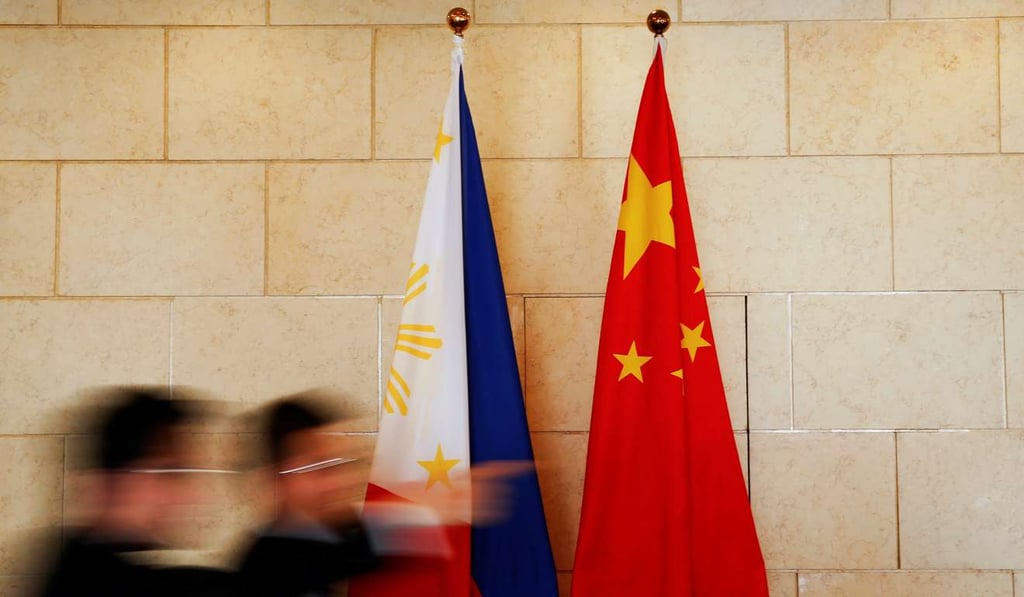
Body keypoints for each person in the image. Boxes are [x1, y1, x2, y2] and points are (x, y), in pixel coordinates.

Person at [37, 387, 232, 597]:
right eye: (169, 472)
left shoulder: (83, 566)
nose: (192, 495)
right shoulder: (101, 582)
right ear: (115, 478)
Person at [235, 395, 378, 597]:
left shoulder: (351, 538)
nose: (338, 482)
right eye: (317, 467)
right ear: (277, 478)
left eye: (339, 464)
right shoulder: (268, 567)